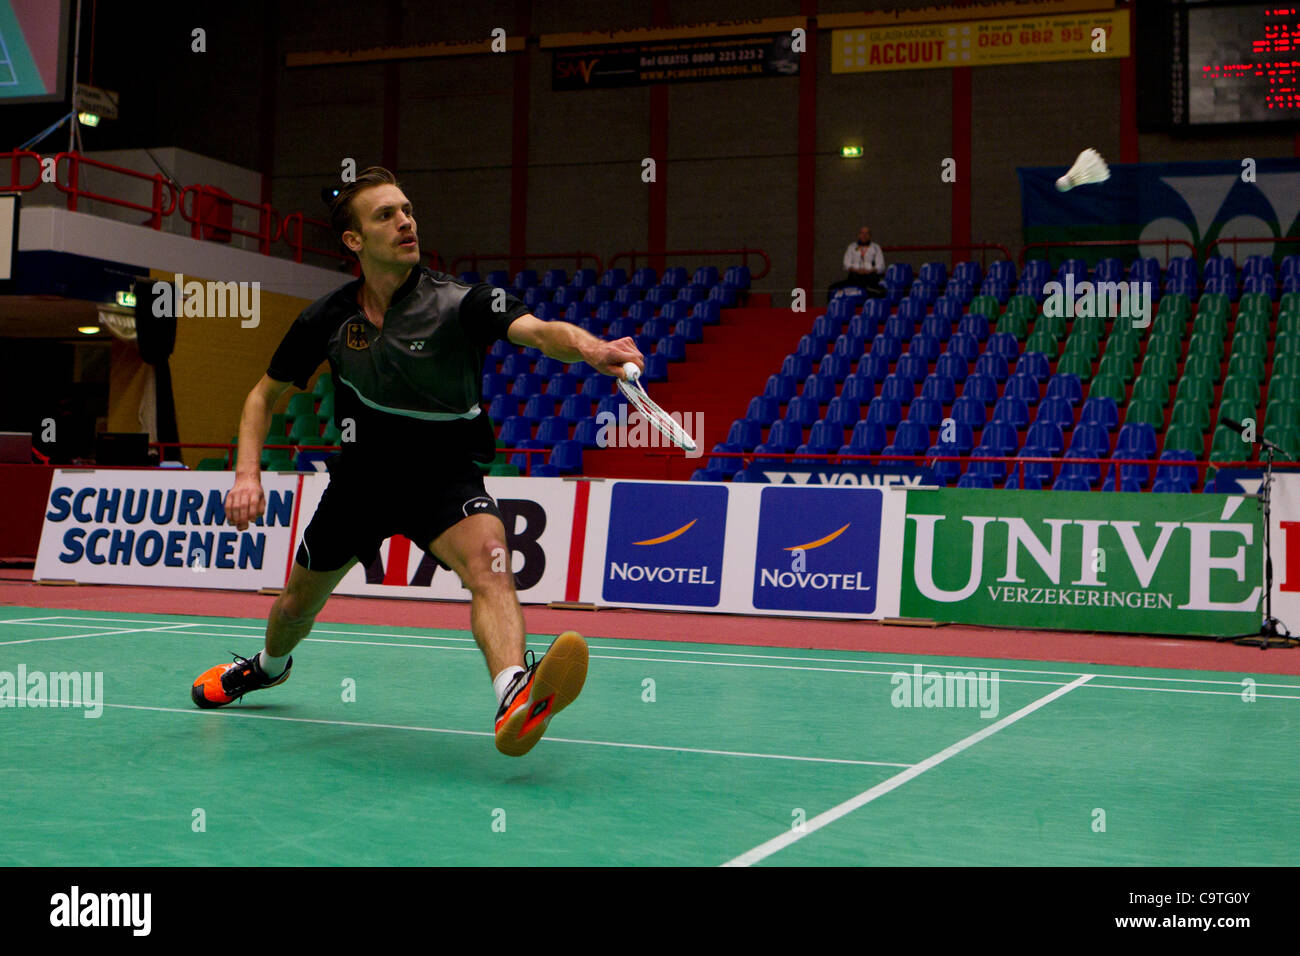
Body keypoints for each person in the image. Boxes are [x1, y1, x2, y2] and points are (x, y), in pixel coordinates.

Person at [190, 166, 644, 757]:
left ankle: (514, 694)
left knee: (490, 564)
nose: (405, 222)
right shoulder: (326, 319)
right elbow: (262, 396)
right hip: (361, 483)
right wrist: (247, 473)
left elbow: (537, 331)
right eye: (386, 215)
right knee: (296, 606)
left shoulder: (460, 303)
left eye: (407, 211)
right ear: (354, 241)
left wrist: (592, 348)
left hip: (444, 475)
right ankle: (267, 667)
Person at [828, 225, 886, 299]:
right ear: (858, 235)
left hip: (870, 277)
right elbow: (846, 264)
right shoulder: (851, 247)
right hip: (855, 277)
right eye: (862, 233)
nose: (864, 235)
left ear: (870, 236)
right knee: (832, 288)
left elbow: (881, 265)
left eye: (867, 233)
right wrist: (857, 270)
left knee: (879, 291)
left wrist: (869, 271)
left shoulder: (876, 247)